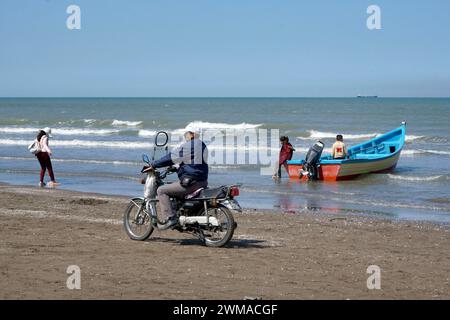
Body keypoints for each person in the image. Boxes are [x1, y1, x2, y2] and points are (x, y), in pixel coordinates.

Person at [150, 126, 208, 230]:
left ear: (192, 134)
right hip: (202, 181)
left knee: (161, 190)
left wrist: (154, 164)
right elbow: (194, 163)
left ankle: (170, 218)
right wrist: (178, 168)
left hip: (192, 182)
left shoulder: (190, 145)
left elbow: (172, 157)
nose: (185, 136)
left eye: (187, 134)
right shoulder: (202, 145)